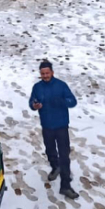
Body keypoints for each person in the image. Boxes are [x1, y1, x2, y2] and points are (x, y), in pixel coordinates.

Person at [28, 59, 78, 200]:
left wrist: (62, 101)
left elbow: (73, 101)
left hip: (61, 126)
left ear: (52, 72)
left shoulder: (61, 86)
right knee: (50, 150)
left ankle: (65, 186)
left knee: (64, 156)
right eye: (43, 73)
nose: (45, 76)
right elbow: (32, 102)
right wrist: (34, 105)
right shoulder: (37, 87)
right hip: (47, 126)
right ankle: (55, 167)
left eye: (47, 73)